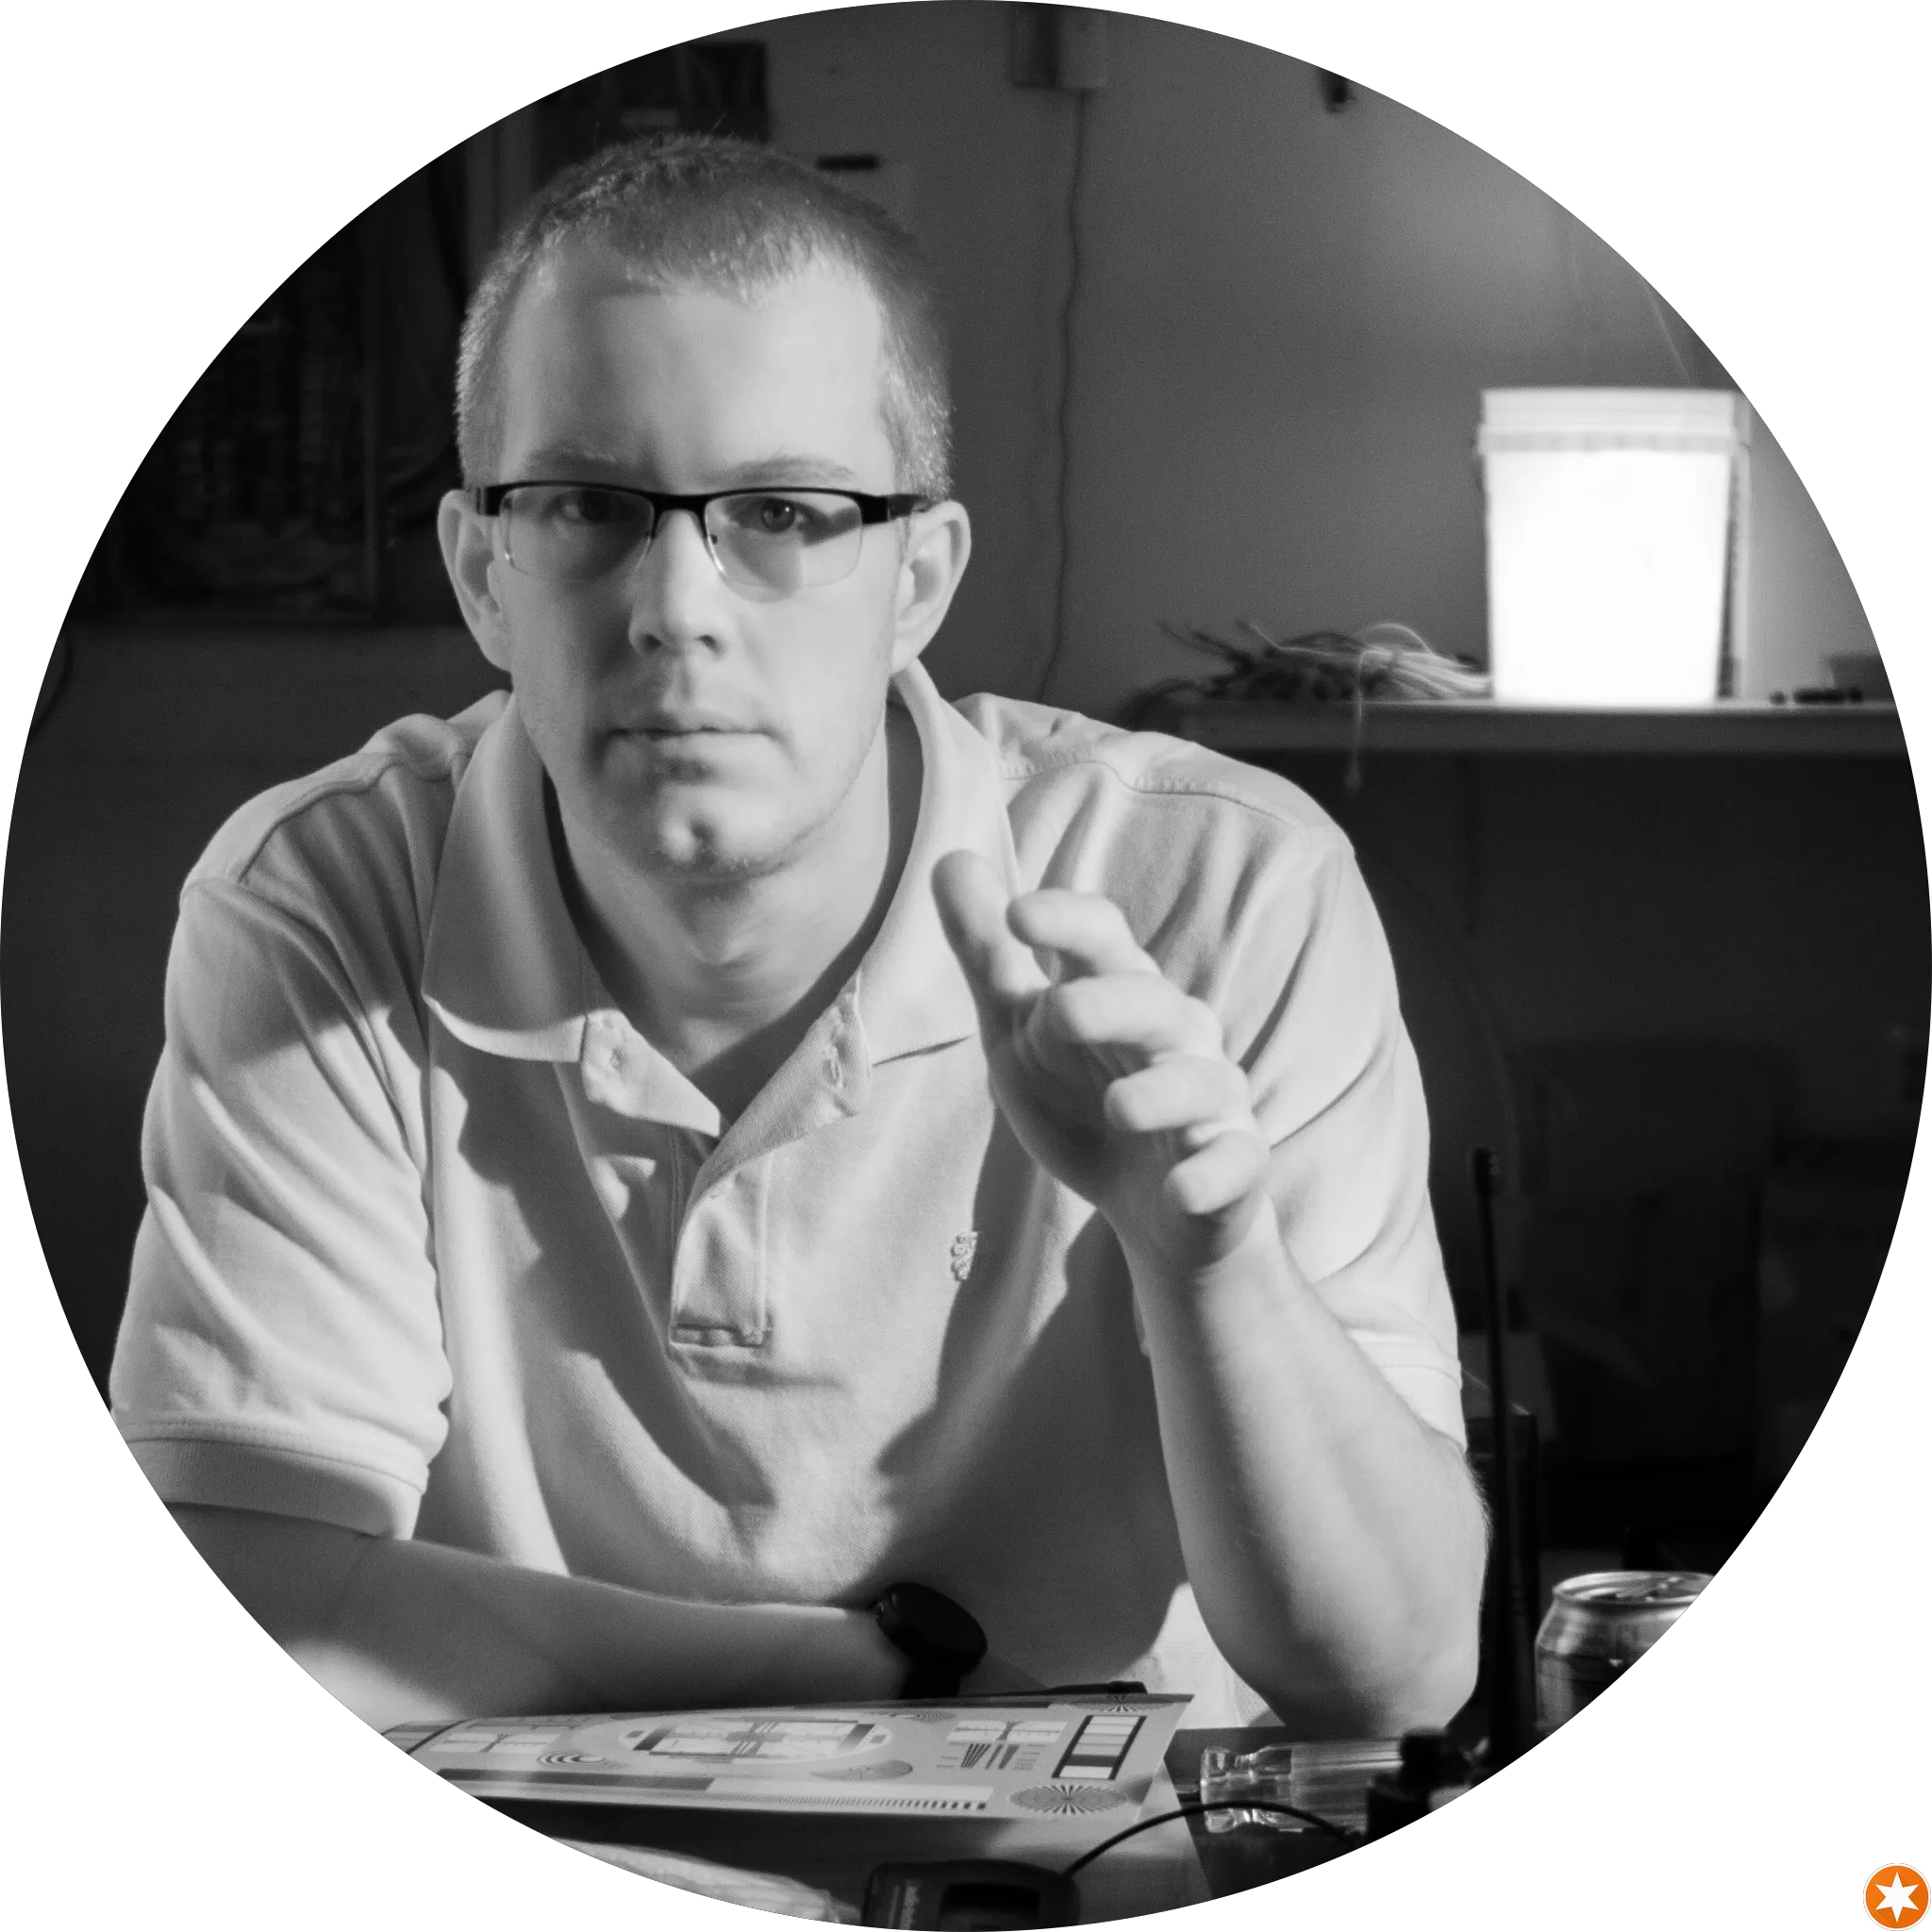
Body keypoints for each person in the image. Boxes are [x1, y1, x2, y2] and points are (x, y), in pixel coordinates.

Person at [109, 134, 1486, 1739]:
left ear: (918, 580)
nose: (676, 608)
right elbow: (265, 1591)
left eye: (780, 510)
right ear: (484, 574)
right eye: (587, 506)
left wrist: (1213, 1261)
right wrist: (859, 1680)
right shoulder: (321, 899)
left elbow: (1392, 1679)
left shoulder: (1219, 889)